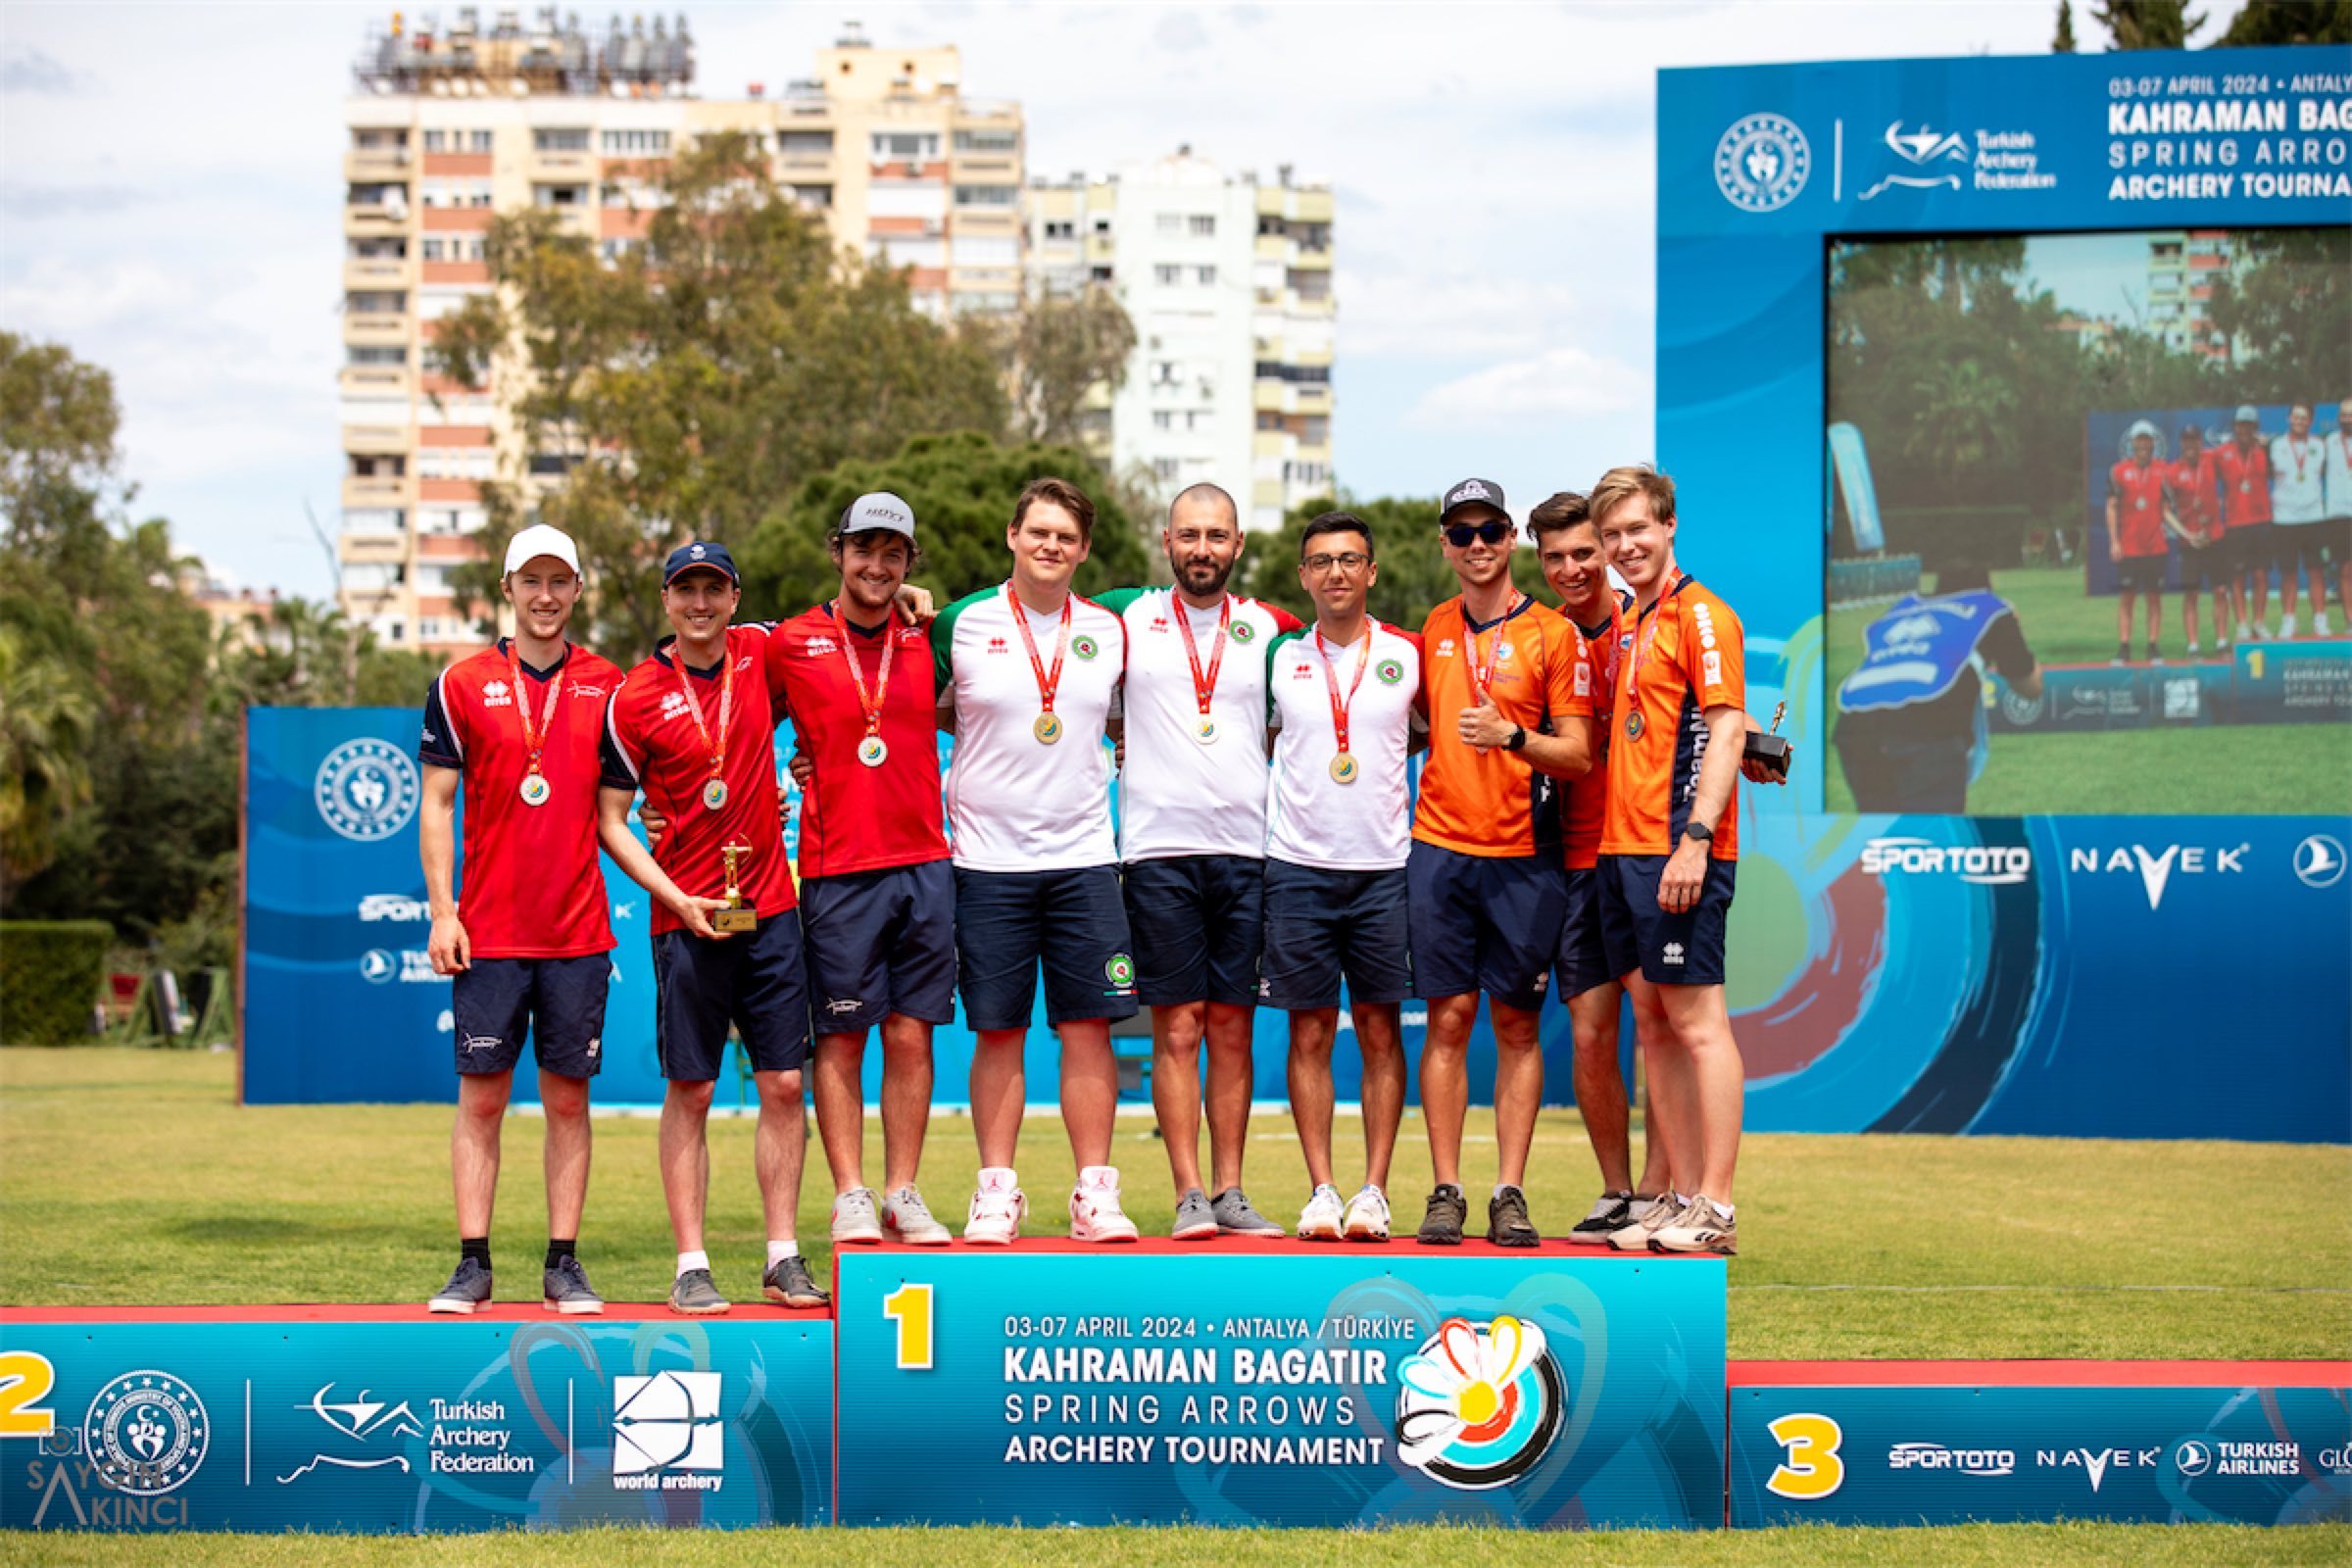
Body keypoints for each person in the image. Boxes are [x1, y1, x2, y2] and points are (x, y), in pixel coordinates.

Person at [598, 541, 824, 1315]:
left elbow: (838, 630)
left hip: (770, 907)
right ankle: (691, 1263)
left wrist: (912, 600)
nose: (700, 604)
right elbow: (611, 821)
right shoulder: (633, 697)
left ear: (735, 598)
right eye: (685, 590)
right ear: (666, 601)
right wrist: (673, 894)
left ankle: (783, 1256)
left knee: (786, 1084)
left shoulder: (762, 654)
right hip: (683, 916)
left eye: (714, 590)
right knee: (690, 1090)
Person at [419, 524, 622, 1316]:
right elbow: (436, 806)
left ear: (577, 590)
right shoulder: (462, 682)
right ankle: (473, 1263)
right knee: (482, 1102)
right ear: (507, 587)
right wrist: (443, 912)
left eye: (559, 581)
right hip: (490, 934)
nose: (545, 596)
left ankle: (563, 1263)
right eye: (531, 580)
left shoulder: (610, 682)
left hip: (576, 933)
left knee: (569, 1102)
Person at [929, 478, 1138, 1245]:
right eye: (1038, 532)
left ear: (1083, 550)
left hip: (1085, 858)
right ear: (1012, 536)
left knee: (1088, 1030)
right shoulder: (957, 622)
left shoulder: (1113, 629)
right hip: (986, 862)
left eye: (1067, 537)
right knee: (999, 1032)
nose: (1051, 546)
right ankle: (996, 1192)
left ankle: (1095, 1194)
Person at [1095, 485, 1298, 1240]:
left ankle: (1231, 1189)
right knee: (1177, 1030)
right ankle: (1186, 1192)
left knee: (1234, 1031)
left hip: (1247, 851)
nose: (1202, 549)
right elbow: (1037, 609)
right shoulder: (1124, 613)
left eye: (1216, 536)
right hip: (1157, 852)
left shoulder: (1273, 629)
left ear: (1238, 545)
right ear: (1166, 541)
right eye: (1189, 535)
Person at [764, 494, 956, 1249]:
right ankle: (850, 1192)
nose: (877, 566)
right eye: (863, 550)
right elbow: (724, 701)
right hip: (836, 867)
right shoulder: (791, 642)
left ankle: (903, 1190)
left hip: (925, 861)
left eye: (893, 554)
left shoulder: (929, 635)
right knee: (841, 1040)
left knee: (912, 1038)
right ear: (837, 552)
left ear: (910, 564)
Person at [1409, 477, 1594, 1248]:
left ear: (1511, 537)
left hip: (1524, 855)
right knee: (1447, 1022)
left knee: (1517, 1028)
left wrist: (1514, 738)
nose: (1477, 546)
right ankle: (1446, 1190)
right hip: (1441, 849)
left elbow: (1580, 754)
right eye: (1462, 533)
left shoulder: (1554, 634)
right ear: (1445, 544)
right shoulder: (1432, 626)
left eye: (1490, 531)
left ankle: (1509, 1192)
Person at [1590, 465, 1746, 1256]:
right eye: (1612, 535)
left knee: (1698, 1024)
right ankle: (1681, 1196)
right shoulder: (1632, 620)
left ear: (1669, 525)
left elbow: (1726, 727)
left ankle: (1714, 1207)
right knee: (1653, 1026)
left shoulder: (1703, 614)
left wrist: (1697, 836)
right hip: (1623, 848)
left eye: (1637, 530)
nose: (1625, 547)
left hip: (1676, 848)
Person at [1262, 512, 1422, 1244]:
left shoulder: (1410, 655)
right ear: (1303, 576)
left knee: (1382, 1033)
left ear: (1372, 572)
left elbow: (1432, 733)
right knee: (1310, 1033)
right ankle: (1322, 1191)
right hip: (1296, 868)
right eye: (1321, 561)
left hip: (1385, 871)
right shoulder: (1277, 658)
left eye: (1349, 560)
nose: (1335, 573)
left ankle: (1374, 1192)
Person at [1526, 493, 1669, 1245]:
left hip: (1643, 851)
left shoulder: (1644, 621)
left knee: (1660, 1026)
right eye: (1557, 557)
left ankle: (1662, 1191)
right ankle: (1619, 1190)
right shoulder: (1539, 636)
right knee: (1590, 1033)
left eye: (1586, 551)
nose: (1574, 567)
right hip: (1574, 859)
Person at [1833, 561, 2043, 813]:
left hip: (1854, 729)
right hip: (1927, 728)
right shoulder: (1991, 608)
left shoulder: (1900, 609)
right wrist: (2014, 625)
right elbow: (2030, 686)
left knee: (1882, 838)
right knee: (1933, 839)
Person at [2104, 419, 2173, 665]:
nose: (2143, 444)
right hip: (2130, 546)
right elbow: (2111, 508)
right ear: (2132, 443)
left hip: (2155, 547)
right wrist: (2114, 541)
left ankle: (2153, 646)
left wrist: (2186, 532)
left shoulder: (2164, 470)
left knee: (2154, 598)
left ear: (2153, 442)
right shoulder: (2119, 471)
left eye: (2147, 439)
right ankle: (2124, 646)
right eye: (2139, 439)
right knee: (2127, 598)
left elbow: (2167, 510)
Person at [2165, 422, 2231, 657]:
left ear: (2200, 441)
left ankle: (2222, 642)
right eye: (2186, 440)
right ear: (2181, 443)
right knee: (2192, 594)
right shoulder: (2172, 471)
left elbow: (2233, 451)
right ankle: (2193, 646)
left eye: (2194, 439)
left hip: (2215, 537)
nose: (2190, 444)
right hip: (2190, 542)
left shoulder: (2212, 459)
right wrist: (2186, 534)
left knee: (2221, 591)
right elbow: (2164, 511)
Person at [2215, 405, 2274, 642]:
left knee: (2260, 575)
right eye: (2241, 425)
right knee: (2237, 577)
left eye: (2249, 425)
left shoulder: (2264, 452)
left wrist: (2268, 448)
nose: (2245, 430)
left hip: (2261, 521)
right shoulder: (2222, 453)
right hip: (2235, 523)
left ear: (2256, 428)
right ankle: (2241, 623)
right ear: (2235, 427)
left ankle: (2259, 622)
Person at [2272, 403, 2329, 638]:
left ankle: (2320, 620)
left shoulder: (2319, 446)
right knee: (2288, 573)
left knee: (2316, 571)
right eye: (2296, 417)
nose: (2299, 421)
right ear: (2288, 419)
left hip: (2314, 517)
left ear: (2310, 422)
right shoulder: (2275, 446)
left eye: (2304, 418)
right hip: (2285, 519)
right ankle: (2289, 620)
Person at [2326, 402, 2352, 627]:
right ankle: (2350, 621)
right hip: (2339, 515)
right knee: (2345, 569)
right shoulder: (2328, 442)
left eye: (2351, 415)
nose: (2347, 419)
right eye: (2344, 415)